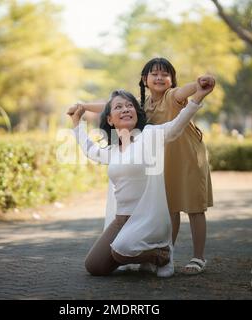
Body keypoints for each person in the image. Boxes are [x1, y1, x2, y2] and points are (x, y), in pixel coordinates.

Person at [68, 57, 215, 275]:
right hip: (159, 163)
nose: (159, 77)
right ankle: (159, 250)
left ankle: (189, 256)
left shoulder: (167, 103)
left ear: (172, 79)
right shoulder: (140, 108)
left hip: (186, 156)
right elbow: (111, 108)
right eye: (154, 74)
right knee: (171, 207)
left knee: (193, 207)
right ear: (144, 79)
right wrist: (80, 112)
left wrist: (199, 87)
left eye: (165, 74)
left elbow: (180, 108)